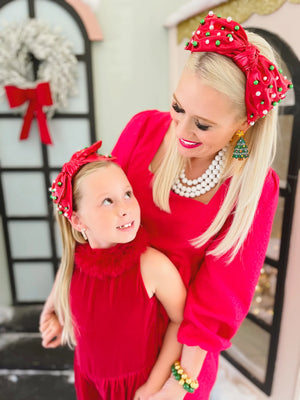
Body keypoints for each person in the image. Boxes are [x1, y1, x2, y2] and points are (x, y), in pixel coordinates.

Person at [40, 12, 293, 399]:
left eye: (203, 125)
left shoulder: (253, 190)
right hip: (105, 335)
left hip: (176, 358)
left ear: (243, 124)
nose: (181, 131)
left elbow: (218, 303)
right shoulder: (143, 129)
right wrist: (59, 295)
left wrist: (176, 384)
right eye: (177, 107)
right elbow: (93, 214)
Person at [40, 140, 187, 400]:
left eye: (127, 194)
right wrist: (58, 319)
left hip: (137, 387)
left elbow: (181, 321)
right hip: (89, 380)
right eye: (107, 201)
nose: (125, 209)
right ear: (77, 220)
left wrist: (154, 385)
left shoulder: (152, 266)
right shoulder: (75, 265)